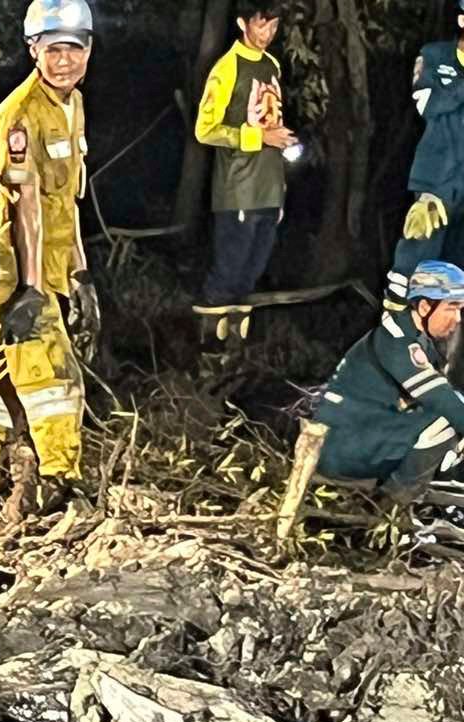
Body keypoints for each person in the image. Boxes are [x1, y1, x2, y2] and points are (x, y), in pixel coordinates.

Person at [0, 0, 96, 503]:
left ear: (88, 49)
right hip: (19, 270)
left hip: (55, 265)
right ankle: (62, 483)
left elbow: (68, 199)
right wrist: (32, 287)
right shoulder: (18, 116)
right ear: (33, 50)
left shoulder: (74, 105)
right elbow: (27, 207)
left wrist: (80, 274)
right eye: (53, 49)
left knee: (2, 378)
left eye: (74, 48)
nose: (64, 60)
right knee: (56, 380)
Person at [311, 262, 464, 503]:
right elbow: (441, 399)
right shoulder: (396, 340)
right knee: (444, 420)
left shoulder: (419, 340)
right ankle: (394, 508)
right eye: (451, 308)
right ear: (424, 306)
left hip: (364, 433)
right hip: (342, 446)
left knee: (449, 414)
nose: (457, 319)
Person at [192, 2, 295, 356]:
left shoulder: (272, 66)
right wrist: (256, 138)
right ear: (242, 23)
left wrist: (281, 181)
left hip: (269, 188)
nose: (268, 34)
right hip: (237, 189)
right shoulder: (226, 68)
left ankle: (236, 355)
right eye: (262, 25)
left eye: (274, 27)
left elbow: (271, 123)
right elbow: (205, 130)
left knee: (251, 276)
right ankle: (207, 355)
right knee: (227, 275)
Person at [387, 1, 464, 309]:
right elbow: (426, 105)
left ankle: (442, 337)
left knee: (454, 269)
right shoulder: (434, 56)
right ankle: (396, 319)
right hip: (438, 178)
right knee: (418, 248)